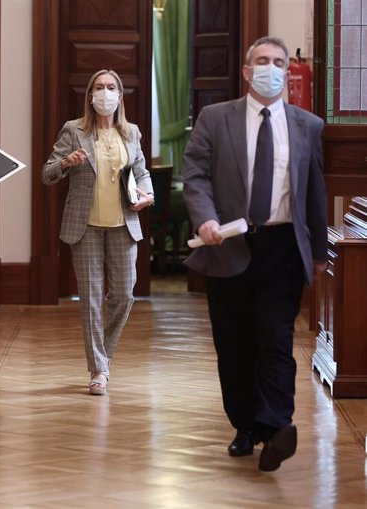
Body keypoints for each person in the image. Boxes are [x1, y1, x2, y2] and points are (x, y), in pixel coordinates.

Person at [181, 36, 328, 472]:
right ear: (247, 72)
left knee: (277, 341)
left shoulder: (309, 125)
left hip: (282, 248)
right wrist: (205, 218)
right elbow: (196, 176)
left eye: (278, 62)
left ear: (287, 71)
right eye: (262, 61)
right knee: (235, 344)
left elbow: (314, 194)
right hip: (227, 244)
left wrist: (318, 253)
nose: (271, 67)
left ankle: (278, 426)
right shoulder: (215, 118)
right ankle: (246, 425)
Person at [42, 69, 154, 396]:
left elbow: (142, 173)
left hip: (124, 225)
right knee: (90, 300)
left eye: (110, 88)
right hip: (85, 226)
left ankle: (103, 355)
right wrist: (65, 164)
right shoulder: (73, 130)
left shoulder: (131, 133)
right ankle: (98, 369)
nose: (105, 93)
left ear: (120, 95)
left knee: (124, 295)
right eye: (99, 87)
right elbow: (47, 173)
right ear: (90, 95)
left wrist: (148, 195)